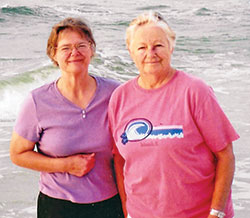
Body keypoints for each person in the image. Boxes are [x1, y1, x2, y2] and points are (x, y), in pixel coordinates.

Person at [108, 11, 239, 218]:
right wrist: (126, 210)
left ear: (171, 46)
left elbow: (226, 155)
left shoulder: (195, 91)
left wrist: (216, 213)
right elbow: (119, 160)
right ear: (131, 51)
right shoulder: (119, 97)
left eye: (158, 45)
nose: (150, 53)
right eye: (141, 47)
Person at [9, 17, 124, 218]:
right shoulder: (37, 101)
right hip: (57, 205)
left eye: (81, 45)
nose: (74, 53)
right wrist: (65, 165)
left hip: (108, 204)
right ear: (53, 54)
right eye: (65, 48)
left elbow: (131, 147)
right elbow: (18, 154)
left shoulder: (115, 93)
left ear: (92, 49)